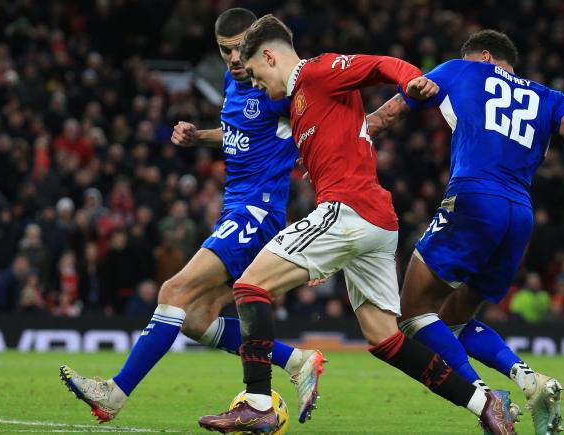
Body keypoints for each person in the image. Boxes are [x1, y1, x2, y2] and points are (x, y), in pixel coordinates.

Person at [198, 15, 513, 435]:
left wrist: (413, 81)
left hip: (350, 210)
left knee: (250, 286)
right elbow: (340, 135)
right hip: (376, 223)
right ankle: (483, 403)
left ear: (270, 56)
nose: (254, 83)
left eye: (255, 73)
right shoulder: (300, 101)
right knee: (385, 339)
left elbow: (381, 64)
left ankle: (258, 403)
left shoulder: (317, 71)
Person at [59, 8, 324, 424]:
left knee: (173, 291)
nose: (235, 60)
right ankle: (298, 362)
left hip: (257, 211)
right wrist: (201, 136)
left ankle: (115, 391)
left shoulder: (279, 87)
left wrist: (319, 227)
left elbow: (314, 132)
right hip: (233, 207)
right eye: (225, 51)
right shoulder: (232, 82)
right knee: (198, 320)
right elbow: (242, 133)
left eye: (240, 50)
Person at [367, 29, 564, 435]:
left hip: (474, 199)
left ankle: (485, 399)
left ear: (486, 57)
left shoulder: (462, 70)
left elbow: (387, 115)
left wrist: (341, 135)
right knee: (454, 317)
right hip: (519, 216)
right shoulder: (547, 96)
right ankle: (529, 380)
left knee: (412, 313)